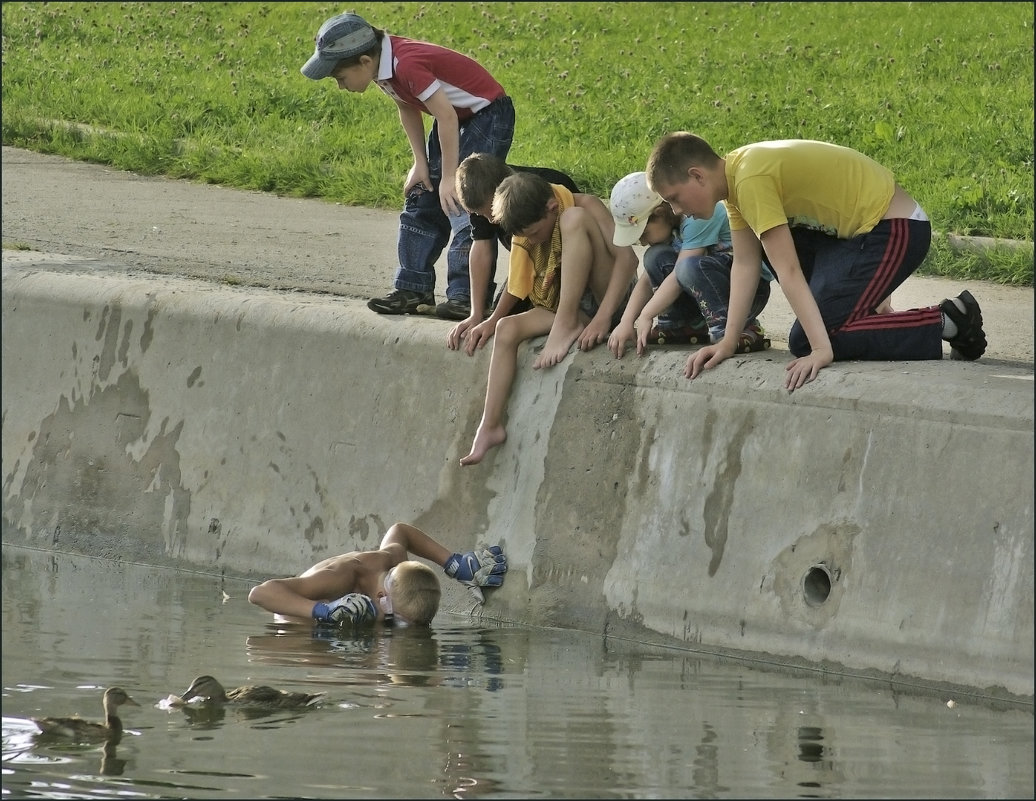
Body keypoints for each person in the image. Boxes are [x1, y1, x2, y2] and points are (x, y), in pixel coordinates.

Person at [645, 133, 987, 391]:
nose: (676, 211)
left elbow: (789, 269)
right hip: (856, 239)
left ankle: (947, 319)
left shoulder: (749, 179)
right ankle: (863, 310)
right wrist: (728, 341)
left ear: (697, 175)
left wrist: (822, 349)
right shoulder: (736, 182)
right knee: (788, 282)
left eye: (674, 198)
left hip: (895, 229)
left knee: (808, 341)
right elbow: (745, 265)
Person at [301, 11, 515, 321]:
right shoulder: (381, 69)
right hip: (455, 119)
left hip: (487, 114)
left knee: (463, 200)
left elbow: (446, 116)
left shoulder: (405, 63)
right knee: (422, 196)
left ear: (363, 61)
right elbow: (408, 107)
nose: (340, 86)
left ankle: (465, 297)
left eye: (339, 77)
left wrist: (450, 177)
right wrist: (421, 164)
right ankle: (413, 289)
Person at [459, 171, 637, 465]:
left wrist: (604, 318)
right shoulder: (528, 233)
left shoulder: (584, 206)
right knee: (506, 328)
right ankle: (489, 427)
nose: (531, 241)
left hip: (610, 298)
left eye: (534, 233)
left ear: (551, 207)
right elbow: (518, 285)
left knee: (574, 220)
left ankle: (567, 323)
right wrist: (489, 319)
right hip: (569, 303)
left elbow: (628, 260)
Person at [606, 171, 772, 359]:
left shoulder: (699, 216)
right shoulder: (670, 226)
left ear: (659, 213)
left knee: (688, 267)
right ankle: (683, 324)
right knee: (654, 257)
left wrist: (646, 314)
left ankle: (738, 326)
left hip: (748, 291)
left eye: (643, 234)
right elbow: (646, 280)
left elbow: (679, 274)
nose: (642, 243)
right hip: (709, 285)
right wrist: (627, 321)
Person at [247, 523, 507, 627]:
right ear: (382, 596)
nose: (394, 628)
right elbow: (259, 594)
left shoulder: (394, 564)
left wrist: (453, 562)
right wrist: (324, 611)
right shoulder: (344, 575)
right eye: (396, 621)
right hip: (295, 621)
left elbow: (400, 531)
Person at [447, 153, 580, 350]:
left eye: (491, 213)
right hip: (532, 271)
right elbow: (482, 249)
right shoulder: (481, 193)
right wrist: (476, 314)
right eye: (480, 215)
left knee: (505, 318)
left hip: (567, 268)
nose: (491, 220)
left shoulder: (530, 196)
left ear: (502, 193)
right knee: (499, 319)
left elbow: (531, 264)